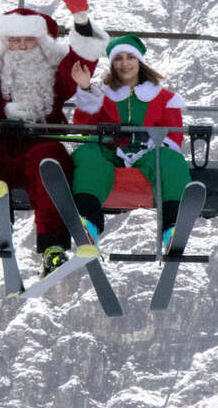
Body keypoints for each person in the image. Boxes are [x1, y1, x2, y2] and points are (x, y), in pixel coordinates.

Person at [0, 0, 109, 276]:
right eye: (14, 40)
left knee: (50, 158)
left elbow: (82, 60)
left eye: (28, 41)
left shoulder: (55, 74)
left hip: (37, 145)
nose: (20, 47)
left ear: (42, 43)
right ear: (3, 43)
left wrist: (81, 18)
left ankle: (52, 245)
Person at [70, 33, 192, 250]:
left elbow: (174, 135)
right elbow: (83, 125)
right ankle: (89, 223)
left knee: (171, 160)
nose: (124, 63)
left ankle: (172, 228)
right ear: (112, 64)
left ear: (139, 61)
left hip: (148, 153)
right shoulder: (102, 96)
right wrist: (87, 89)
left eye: (130, 57)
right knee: (87, 154)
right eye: (118, 58)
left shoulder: (163, 98)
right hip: (110, 153)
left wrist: (155, 143)